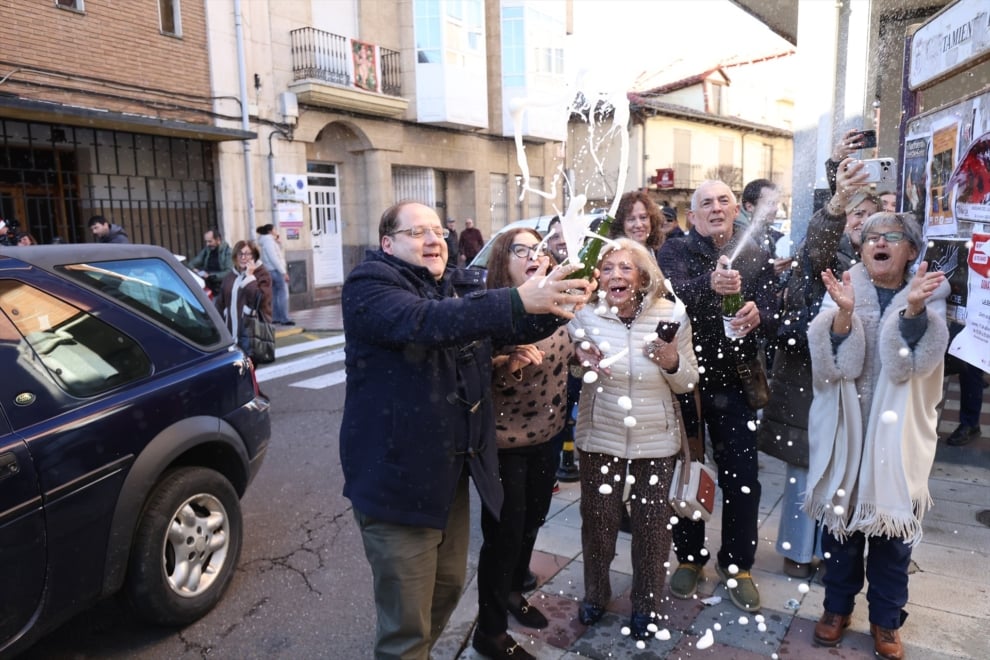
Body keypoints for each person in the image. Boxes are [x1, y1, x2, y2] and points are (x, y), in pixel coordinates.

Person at [339, 201, 594, 660]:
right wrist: (516, 300)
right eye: (418, 232)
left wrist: (563, 299)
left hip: (446, 477)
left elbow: (490, 331)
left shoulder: (444, 288)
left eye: (438, 231)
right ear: (388, 243)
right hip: (396, 481)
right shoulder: (371, 285)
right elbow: (423, 325)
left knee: (449, 588)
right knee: (406, 624)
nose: (434, 240)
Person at [806, 212, 949, 660]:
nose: (879, 243)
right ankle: (836, 608)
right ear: (861, 248)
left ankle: (886, 621)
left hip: (898, 436)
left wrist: (912, 311)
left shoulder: (928, 291)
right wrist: (844, 315)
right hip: (847, 432)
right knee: (841, 532)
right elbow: (833, 366)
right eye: (870, 237)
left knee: (892, 539)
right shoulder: (844, 287)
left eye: (891, 237)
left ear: (910, 250)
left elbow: (913, 366)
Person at [656, 179, 777, 613]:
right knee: (688, 471)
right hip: (685, 383)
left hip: (735, 384)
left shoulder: (756, 255)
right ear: (693, 216)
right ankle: (689, 558)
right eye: (705, 202)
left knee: (742, 479)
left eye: (724, 199)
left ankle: (738, 565)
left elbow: (775, 311)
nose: (716, 207)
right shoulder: (674, 252)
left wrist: (758, 312)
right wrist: (710, 284)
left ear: (735, 210)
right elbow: (669, 299)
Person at [569, 238, 698, 639]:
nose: (615, 276)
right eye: (608, 269)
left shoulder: (672, 313)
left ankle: (647, 603)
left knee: (652, 528)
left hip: (655, 442)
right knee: (599, 524)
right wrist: (578, 359)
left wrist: (672, 362)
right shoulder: (583, 314)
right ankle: (596, 594)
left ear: (643, 276)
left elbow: (689, 379)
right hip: (599, 438)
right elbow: (573, 373)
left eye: (625, 268)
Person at [759, 146, 873, 579]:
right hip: (809, 380)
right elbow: (822, 237)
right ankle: (795, 549)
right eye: (854, 213)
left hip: (855, 385)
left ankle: (832, 549)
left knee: (844, 468)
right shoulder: (823, 255)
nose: (861, 221)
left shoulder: (882, 266)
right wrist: (837, 203)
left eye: (868, 213)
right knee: (803, 469)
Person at [473, 228, 573, 659]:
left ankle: (514, 593)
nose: (534, 255)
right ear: (503, 261)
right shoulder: (493, 311)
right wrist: (501, 360)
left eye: (539, 249)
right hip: (503, 444)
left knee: (533, 519)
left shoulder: (560, 305)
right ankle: (490, 632)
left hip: (548, 437)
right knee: (504, 535)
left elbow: (568, 355)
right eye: (521, 250)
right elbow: (468, 376)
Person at [215, 240, 273, 361]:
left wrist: (250, 277)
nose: (243, 257)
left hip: (250, 333)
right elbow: (220, 304)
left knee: (247, 369)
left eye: (248, 254)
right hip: (231, 332)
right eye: (240, 254)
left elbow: (261, 300)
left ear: (254, 256)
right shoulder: (230, 276)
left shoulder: (262, 274)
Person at [256, 224, 294, 326]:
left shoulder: (269, 241)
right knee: (283, 295)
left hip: (272, 271)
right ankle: (284, 318)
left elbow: (280, 251)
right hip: (275, 271)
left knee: (276, 295)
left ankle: (276, 317)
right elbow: (274, 258)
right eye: (275, 229)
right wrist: (283, 272)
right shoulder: (268, 241)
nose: (276, 230)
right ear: (270, 231)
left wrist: (278, 240)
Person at [608, 190, 663, 257]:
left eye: (643, 217)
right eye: (631, 219)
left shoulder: (657, 254)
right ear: (620, 224)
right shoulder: (615, 258)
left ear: (652, 221)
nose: (639, 225)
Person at [188, 227, 233, 297]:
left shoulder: (228, 252)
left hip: (222, 289)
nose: (207, 244)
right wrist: (194, 270)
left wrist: (210, 276)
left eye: (210, 241)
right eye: (206, 241)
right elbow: (192, 263)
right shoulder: (207, 250)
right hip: (208, 288)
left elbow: (228, 272)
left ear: (218, 240)